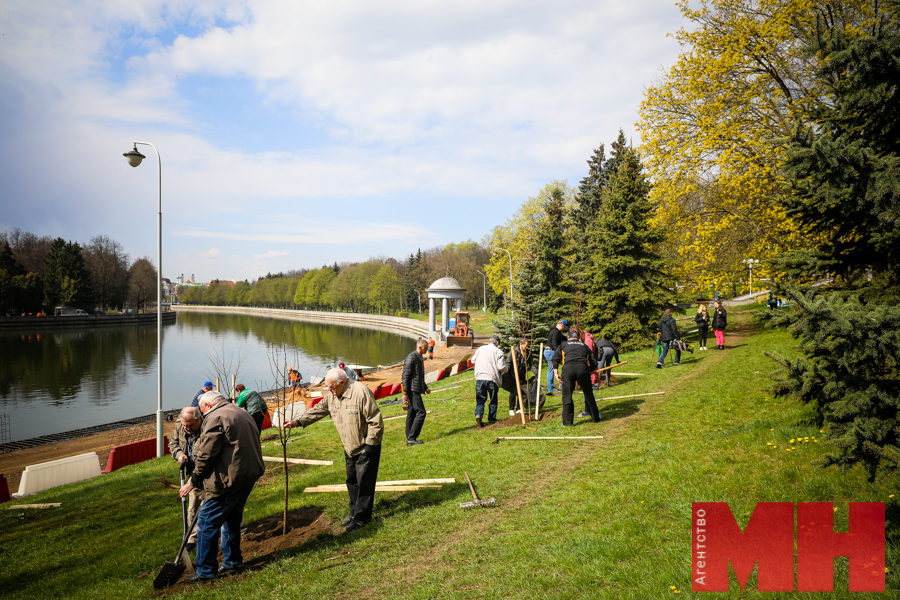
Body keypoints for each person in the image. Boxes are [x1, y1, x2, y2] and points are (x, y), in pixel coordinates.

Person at [283, 369, 383, 532]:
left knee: (364, 482)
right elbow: (318, 410)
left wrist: (370, 446)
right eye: (327, 387)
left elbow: (375, 421)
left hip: (365, 446)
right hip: (349, 446)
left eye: (331, 387)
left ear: (343, 382)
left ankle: (362, 518)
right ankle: (353, 513)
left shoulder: (360, 392)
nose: (329, 390)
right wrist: (298, 421)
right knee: (352, 481)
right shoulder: (332, 395)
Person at [179, 391, 265, 582]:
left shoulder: (215, 417)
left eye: (202, 411)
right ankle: (233, 561)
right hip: (247, 476)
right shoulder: (239, 411)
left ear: (208, 406)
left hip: (229, 481)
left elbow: (206, 454)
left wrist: (193, 480)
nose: (202, 416)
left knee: (206, 522)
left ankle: (206, 571)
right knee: (231, 520)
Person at [169, 406, 203, 550]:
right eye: (185, 425)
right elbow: (173, 444)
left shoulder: (208, 427)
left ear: (199, 420)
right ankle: (192, 538)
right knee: (193, 507)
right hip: (192, 471)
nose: (187, 428)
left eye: (190, 425)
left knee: (216, 503)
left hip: (208, 471)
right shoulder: (180, 425)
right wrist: (179, 455)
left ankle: (231, 529)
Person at [552, 330, 601, 426]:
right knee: (588, 394)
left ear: (568, 338)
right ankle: (596, 418)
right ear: (578, 338)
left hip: (568, 370)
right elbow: (594, 362)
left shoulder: (563, 345)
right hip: (582, 369)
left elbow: (555, 359)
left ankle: (567, 423)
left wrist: (556, 373)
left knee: (567, 396)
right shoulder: (584, 346)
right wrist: (589, 371)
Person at [472, 335, 508, 427]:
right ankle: (492, 419)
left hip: (480, 378)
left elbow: (473, 360)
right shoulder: (498, 351)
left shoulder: (480, 349)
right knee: (493, 399)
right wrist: (506, 369)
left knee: (480, 399)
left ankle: (478, 414)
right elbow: (501, 367)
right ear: (497, 343)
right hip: (492, 379)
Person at [402, 338, 431, 445]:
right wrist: (405, 393)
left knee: (412, 413)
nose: (427, 350)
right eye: (426, 348)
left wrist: (425, 388)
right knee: (421, 412)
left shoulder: (419, 357)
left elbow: (418, 376)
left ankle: (409, 437)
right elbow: (405, 376)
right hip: (412, 390)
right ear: (420, 347)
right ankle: (412, 437)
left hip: (417, 389)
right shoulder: (411, 357)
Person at [501, 338, 531, 417]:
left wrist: (536, 373)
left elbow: (531, 364)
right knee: (513, 392)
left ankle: (519, 409)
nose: (527, 347)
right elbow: (508, 363)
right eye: (526, 346)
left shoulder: (527, 353)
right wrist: (506, 374)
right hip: (513, 375)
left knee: (521, 392)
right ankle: (511, 409)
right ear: (521, 344)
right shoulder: (514, 352)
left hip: (521, 375)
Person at [544, 320, 568, 394]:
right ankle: (551, 388)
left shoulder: (557, 331)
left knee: (551, 369)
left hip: (549, 351)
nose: (564, 330)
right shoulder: (555, 332)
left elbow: (564, 338)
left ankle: (551, 387)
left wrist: (572, 337)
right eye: (564, 328)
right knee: (552, 369)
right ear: (562, 325)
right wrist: (558, 353)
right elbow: (554, 344)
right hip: (550, 351)